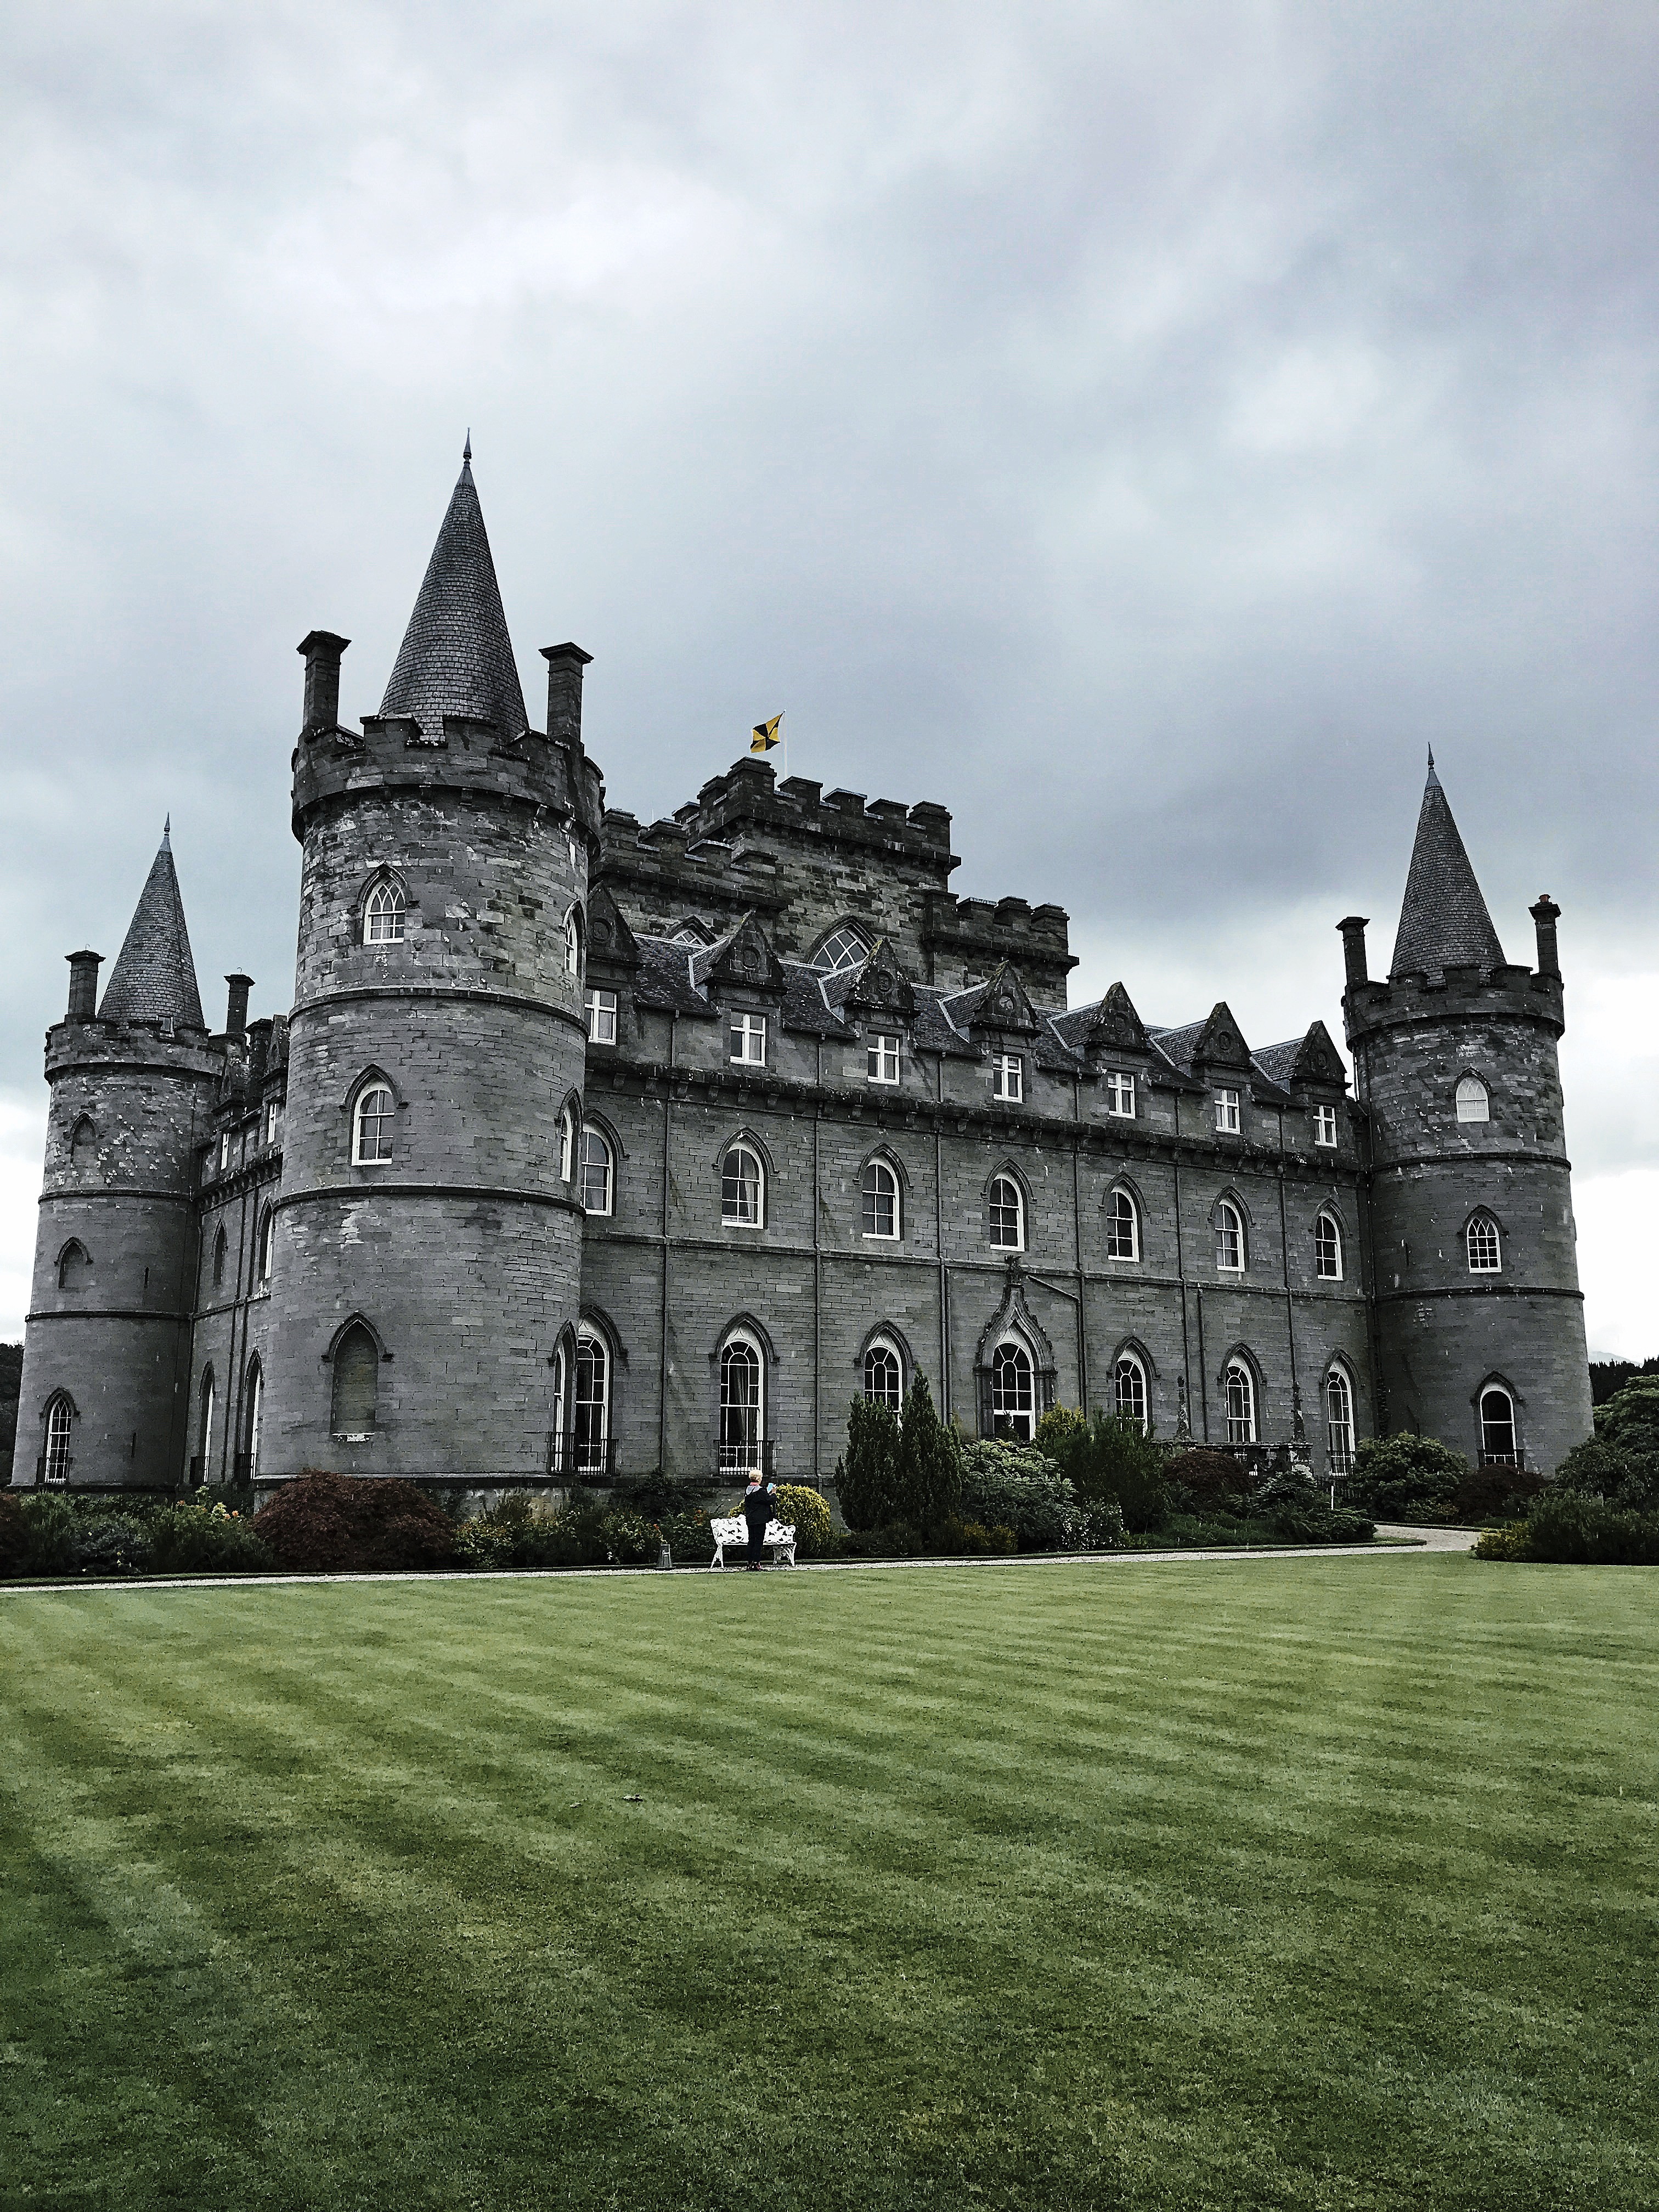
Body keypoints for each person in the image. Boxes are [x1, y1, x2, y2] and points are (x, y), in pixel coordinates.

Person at [740, 1471, 778, 1570]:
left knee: (751, 1541)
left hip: (751, 1519)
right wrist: (773, 1493)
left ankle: (750, 1563)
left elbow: (761, 1500)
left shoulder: (748, 1491)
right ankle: (756, 1563)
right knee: (758, 1542)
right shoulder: (761, 1491)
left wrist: (767, 1494)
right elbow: (770, 1500)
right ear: (759, 1479)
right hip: (760, 1520)